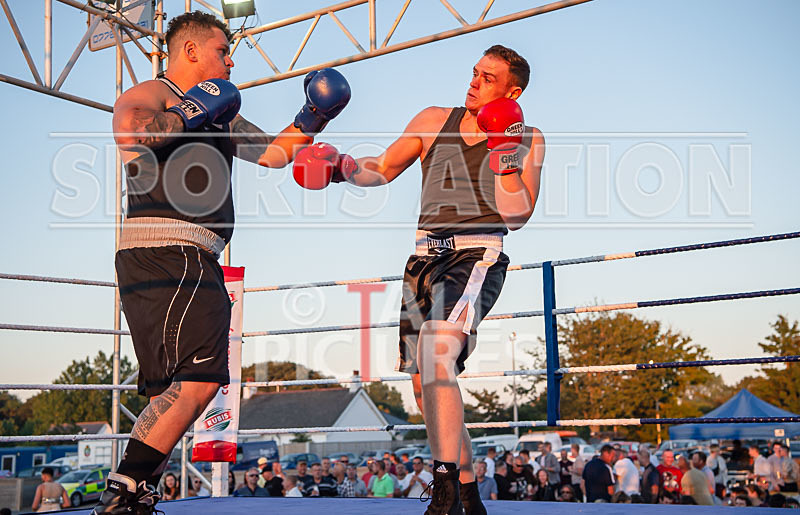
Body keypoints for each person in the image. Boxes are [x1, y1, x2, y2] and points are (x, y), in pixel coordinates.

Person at [95, 9, 349, 514]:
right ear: (190, 51)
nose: (231, 61)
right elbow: (131, 136)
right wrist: (188, 113)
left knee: (172, 389)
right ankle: (125, 488)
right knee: (202, 378)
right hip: (169, 247)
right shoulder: (149, 94)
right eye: (222, 50)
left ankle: (132, 492)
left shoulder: (223, 113)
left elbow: (275, 155)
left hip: (183, 256)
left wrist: (313, 116)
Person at [295, 45, 542, 515]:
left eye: (487, 78)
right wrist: (341, 168)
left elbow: (518, 214)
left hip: (476, 253)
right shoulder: (433, 119)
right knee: (424, 384)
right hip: (421, 260)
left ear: (513, 91)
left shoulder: (530, 136)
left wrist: (504, 152)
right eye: (474, 72)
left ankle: (444, 486)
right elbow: (383, 169)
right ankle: (468, 493)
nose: (474, 81)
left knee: (436, 350)